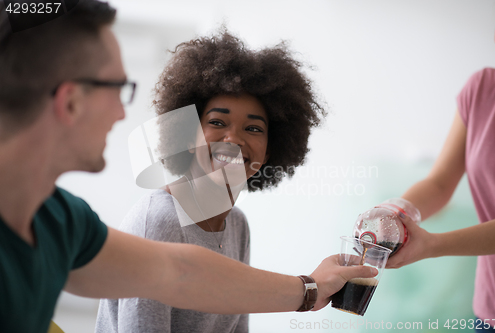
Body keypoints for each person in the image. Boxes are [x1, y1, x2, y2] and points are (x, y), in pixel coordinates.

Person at [0, 1, 377, 333]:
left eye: (253, 128)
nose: (121, 112)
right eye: (118, 88)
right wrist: (309, 288)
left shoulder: (63, 221)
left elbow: (178, 274)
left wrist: (311, 288)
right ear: (70, 102)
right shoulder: (151, 218)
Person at [96, 30, 327, 333]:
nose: (233, 139)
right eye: (217, 122)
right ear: (188, 135)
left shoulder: (238, 226)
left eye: (253, 129)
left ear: (270, 150)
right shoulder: (161, 222)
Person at [377, 11, 495, 333]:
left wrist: (431, 245)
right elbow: (440, 182)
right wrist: (394, 212)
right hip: (492, 310)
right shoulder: (484, 89)